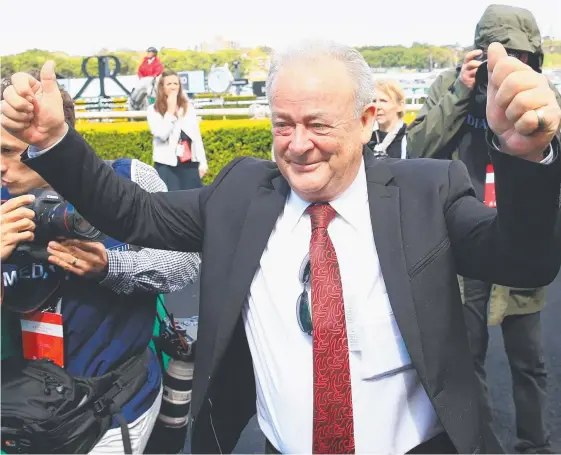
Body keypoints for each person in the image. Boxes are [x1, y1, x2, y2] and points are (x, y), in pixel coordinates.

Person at [2, 40, 561, 455]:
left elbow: (525, 261)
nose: (297, 146)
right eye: (281, 125)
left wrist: (524, 159)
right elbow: (136, 212)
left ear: (367, 121)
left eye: (317, 124)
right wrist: (54, 141)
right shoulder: (244, 191)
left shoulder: (426, 189)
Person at [0, 75, 201, 454]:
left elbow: (185, 264)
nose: (0, 167)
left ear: (48, 138)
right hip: (21, 410)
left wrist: (112, 267)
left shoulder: (125, 178)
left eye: (9, 152)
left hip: (116, 405)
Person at [406, 5, 561, 453]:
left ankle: (537, 446)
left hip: (521, 236)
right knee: (465, 355)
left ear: (534, 58)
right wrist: (459, 92)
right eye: (498, 52)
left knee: (528, 359)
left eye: (520, 54)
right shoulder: (451, 86)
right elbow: (417, 149)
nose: (509, 63)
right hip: (467, 238)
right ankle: (480, 444)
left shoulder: (539, 92)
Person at [147, 70, 208, 190]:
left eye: (176, 84)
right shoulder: (153, 110)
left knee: (192, 201)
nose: (173, 87)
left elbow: (196, 136)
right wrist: (170, 111)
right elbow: (161, 134)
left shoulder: (187, 107)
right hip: (167, 165)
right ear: (162, 87)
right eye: (169, 84)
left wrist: (202, 162)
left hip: (189, 163)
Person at [368, 79, 408, 159]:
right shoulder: (367, 139)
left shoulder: (410, 139)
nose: (377, 107)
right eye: (374, 101)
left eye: (383, 101)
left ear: (400, 105)